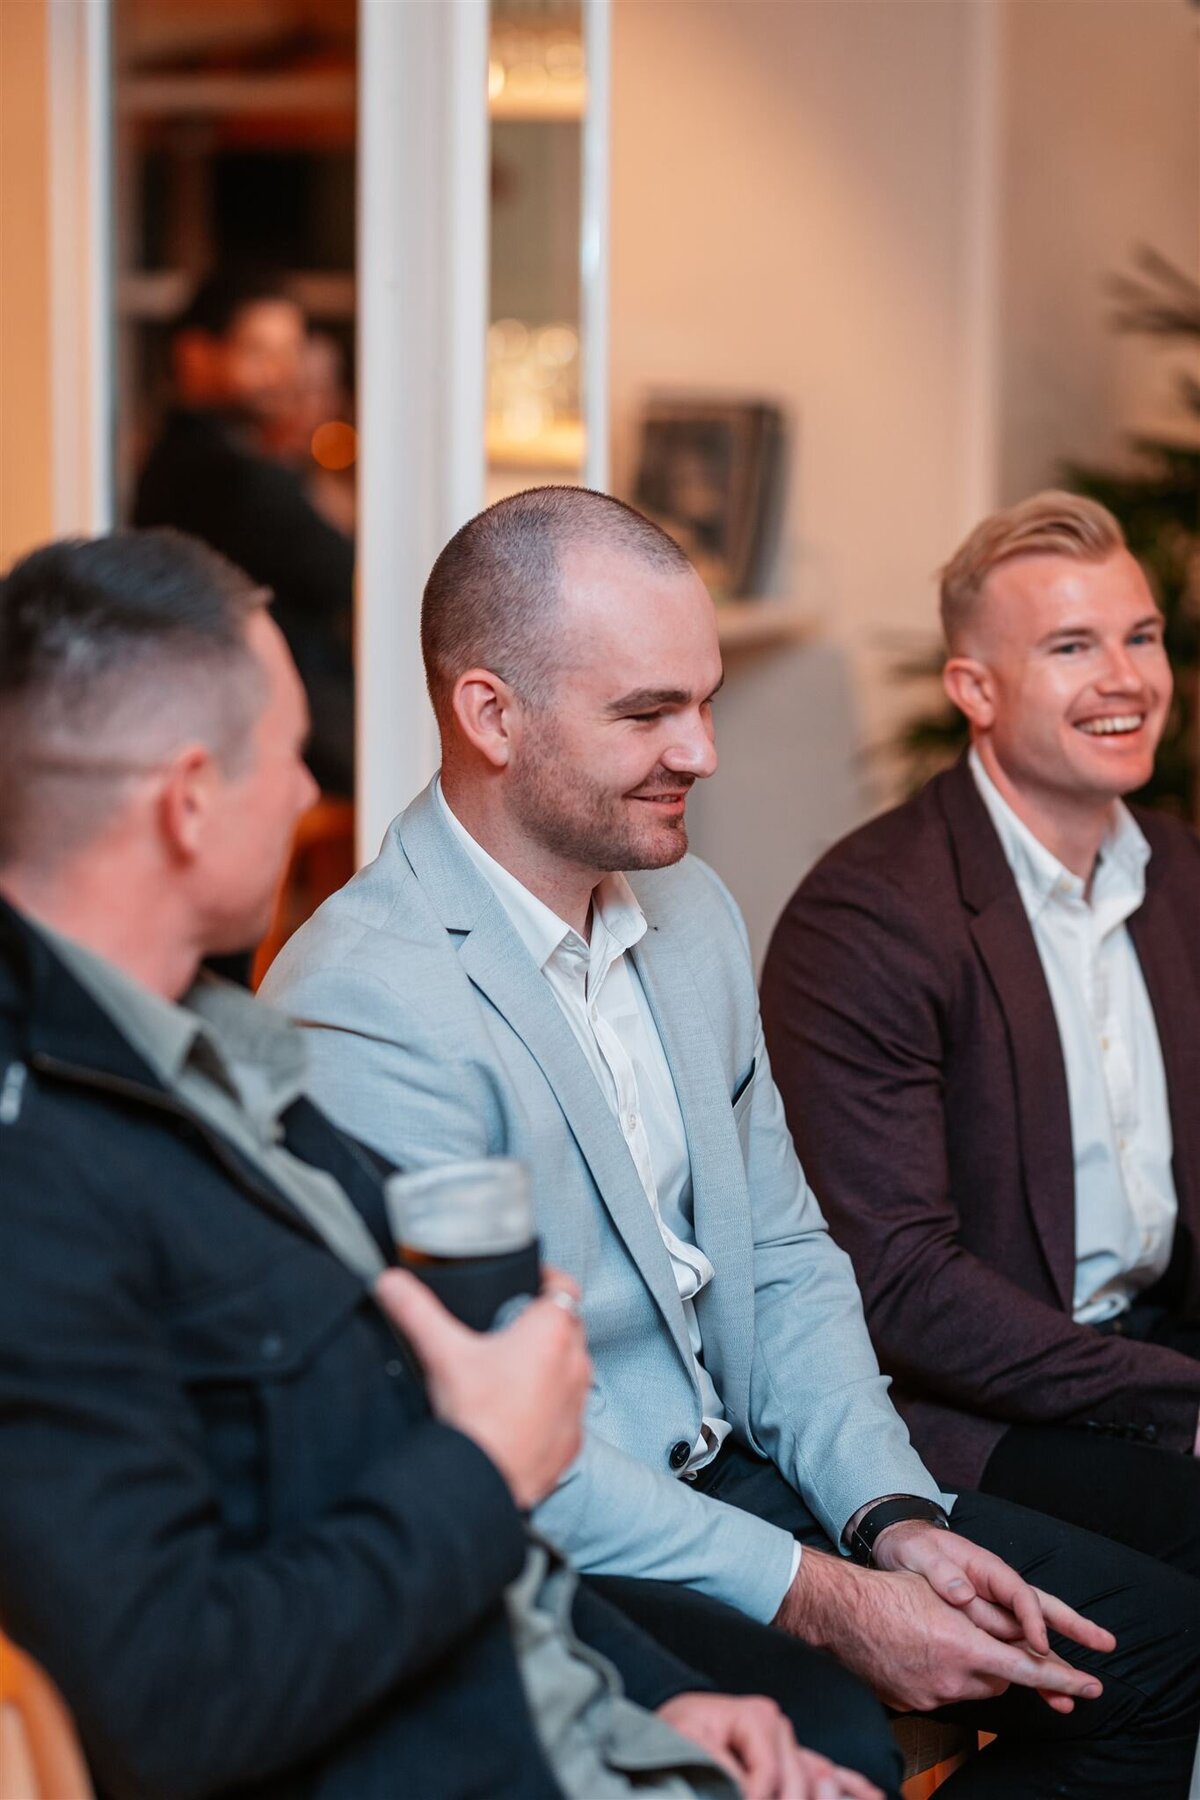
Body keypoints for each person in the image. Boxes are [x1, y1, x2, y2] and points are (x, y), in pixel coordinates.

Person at [263, 484, 1200, 1798]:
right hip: (571, 1539)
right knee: (835, 1747)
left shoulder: (691, 910)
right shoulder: (370, 1002)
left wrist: (892, 1516)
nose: (704, 751)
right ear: (490, 714)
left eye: (700, 701)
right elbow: (479, 1444)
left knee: (1151, 1657)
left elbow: (786, 1258)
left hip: (764, 1475)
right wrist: (825, 1596)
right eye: (649, 713)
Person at [0, 528, 879, 1800]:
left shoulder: (228, 1069)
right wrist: (485, 1461)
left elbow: (440, 1516)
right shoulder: (44, 1184)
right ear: (188, 800)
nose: (313, 791)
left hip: (553, 1709)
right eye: (292, 754)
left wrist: (651, 1700)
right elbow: (180, 1699)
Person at [761, 490, 1200, 1579]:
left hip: (1156, 1342)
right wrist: (1180, 1404)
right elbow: (899, 1283)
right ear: (974, 689)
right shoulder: (869, 915)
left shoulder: (1184, 873)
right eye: (1071, 646)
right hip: (972, 1405)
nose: (1127, 680)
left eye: (1140, 637)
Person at [133, 270, 354, 797]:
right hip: (270, 734)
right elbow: (342, 571)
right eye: (260, 351)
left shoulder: (183, 457)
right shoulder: (229, 474)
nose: (283, 373)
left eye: (290, 352)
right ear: (195, 355)